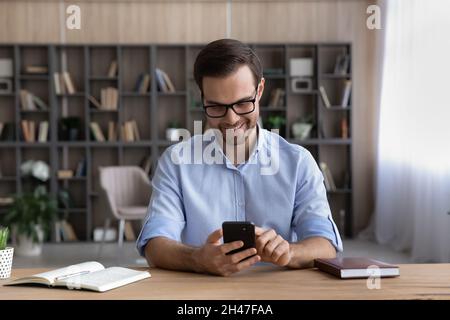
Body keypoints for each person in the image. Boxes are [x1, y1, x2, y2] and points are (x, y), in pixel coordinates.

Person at [136, 39, 342, 276]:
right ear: (202, 99)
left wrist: (289, 252)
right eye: (215, 106)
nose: (232, 119)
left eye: (243, 103)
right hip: (201, 294)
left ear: (260, 91)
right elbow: (154, 245)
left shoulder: (298, 163)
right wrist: (196, 258)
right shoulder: (176, 162)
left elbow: (326, 246)